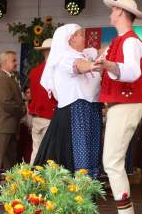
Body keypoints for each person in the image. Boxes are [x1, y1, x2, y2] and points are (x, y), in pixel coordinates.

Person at [96, 0, 142, 214]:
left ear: (119, 12)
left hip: (127, 104)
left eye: (113, 9)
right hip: (122, 105)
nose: (110, 13)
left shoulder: (130, 42)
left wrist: (109, 66)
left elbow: (133, 72)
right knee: (112, 161)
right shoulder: (122, 41)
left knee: (112, 161)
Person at [34, 24, 102, 178]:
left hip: (90, 109)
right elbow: (79, 66)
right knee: (78, 151)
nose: (84, 38)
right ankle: (78, 188)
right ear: (72, 38)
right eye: (81, 35)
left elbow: (99, 52)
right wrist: (94, 65)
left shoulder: (84, 54)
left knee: (90, 149)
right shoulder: (65, 56)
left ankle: (87, 188)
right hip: (75, 110)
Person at [0, 51, 24, 194]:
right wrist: (22, 111)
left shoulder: (8, 78)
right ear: (5, 62)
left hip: (9, 123)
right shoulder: (1, 78)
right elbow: (7, 103)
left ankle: (12, 182)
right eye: (13, 60)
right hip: (3, 123)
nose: (16, 63)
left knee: (9, 156)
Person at [28, 38, 57, 164]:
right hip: (50, 116)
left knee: (36, 151)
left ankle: (31, 180)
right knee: (51, 153)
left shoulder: (34, 72)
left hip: (36, 117)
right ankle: (49, 182)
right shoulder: (55, 71)